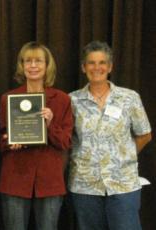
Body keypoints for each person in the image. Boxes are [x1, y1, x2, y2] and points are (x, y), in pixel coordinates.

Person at [69, 41, 152, 230]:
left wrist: (124, 155)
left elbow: (144, 134)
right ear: (83, 67)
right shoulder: (72, 100)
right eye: (91, 62)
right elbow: (66, 138)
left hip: (123, 183)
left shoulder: (129, 98)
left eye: (102, 62)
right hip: (85, 184)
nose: (97, 67)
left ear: (110, 66)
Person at [0, 41, 73, 230]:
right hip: (15, 178)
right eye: (27, 61)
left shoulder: (62, 99)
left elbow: (65, 142)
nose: (32, 66)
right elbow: (0, 139)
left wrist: (49, 125)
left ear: (47, 66)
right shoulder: (9, 98)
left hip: (49, 180)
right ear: (21, 66)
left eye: (38, 61)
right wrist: (8, 142)